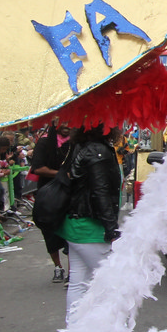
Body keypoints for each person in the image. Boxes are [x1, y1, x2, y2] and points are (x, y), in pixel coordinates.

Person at [60, 126, 121, 318]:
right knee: (114, 285)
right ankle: (111, 331)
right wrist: (111, 229)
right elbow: (100, 192)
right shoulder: (97, 150)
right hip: (90, 229)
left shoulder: (83, 146)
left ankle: (74, 331)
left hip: (76, 225)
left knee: (78, 283)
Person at [29, 123, 73, 283]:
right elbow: (38, 168)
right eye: (63, 122)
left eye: (70, 122)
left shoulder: (75, 142)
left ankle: (72, 271)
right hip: (48, 195)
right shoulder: (45, 142)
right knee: (49, 233)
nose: (67, 125)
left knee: (71, 232)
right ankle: (58, 267)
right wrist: (62, 175)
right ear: (55, 124)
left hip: (69, 193)